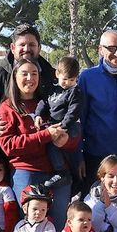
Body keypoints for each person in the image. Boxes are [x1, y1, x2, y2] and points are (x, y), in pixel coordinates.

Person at [0, 58, 72, 229]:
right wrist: (45, 135)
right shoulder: (7, 108)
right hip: (27, 172)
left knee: (58, 229)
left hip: (58, 173)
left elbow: (71, 132)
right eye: (25, 74)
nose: (30, 78)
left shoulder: (50, 101)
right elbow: (9, 145)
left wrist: (65, 141)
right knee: (29, 228)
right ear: (15, 77)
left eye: (34, 73)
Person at [78, 29, 117, 183]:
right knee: (95, 203)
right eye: (112, 48)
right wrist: (78, 155)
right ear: (100, 50)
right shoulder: (87, 77)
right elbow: (80, 116)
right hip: (96, 154)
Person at [0, 24, 58, 127]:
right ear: (13, 47)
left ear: (39, 48)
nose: (27, 48)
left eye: (32, 45)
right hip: (7, 140)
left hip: (46, 139)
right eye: (22, 45)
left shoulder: (52, 75)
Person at [43, 56, 86, 192]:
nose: (67, 83)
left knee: (60, 145)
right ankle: (65, 173)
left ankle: (64, 173)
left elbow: (73, 112)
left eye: (72, 80)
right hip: (55, 124)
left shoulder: (75, 91)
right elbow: (43, 103)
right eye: (65, 79)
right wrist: (38, 115)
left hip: (70, 126)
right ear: (57, 74)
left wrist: (63, 127)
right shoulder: (53, 89)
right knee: (52, 145)